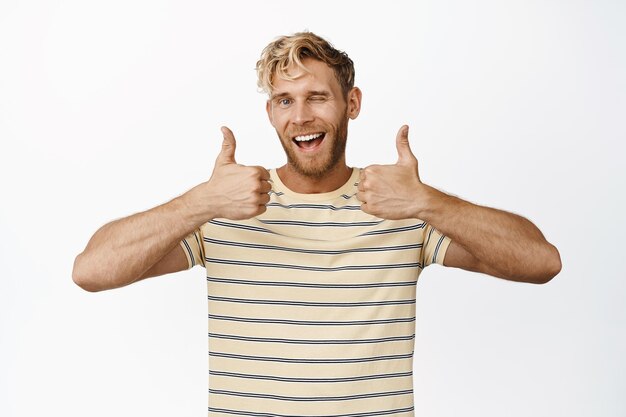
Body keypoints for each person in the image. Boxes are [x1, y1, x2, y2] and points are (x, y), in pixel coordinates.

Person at [73, 31, 561, 416]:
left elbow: (541, 262)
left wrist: (427, 202)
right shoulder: (224, 206)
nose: (301, 116)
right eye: (285, 100)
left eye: (317, 97)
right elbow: (91, 271)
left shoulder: (402, 207)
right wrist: (198, 202)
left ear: (352, 104)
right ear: (270, 112)